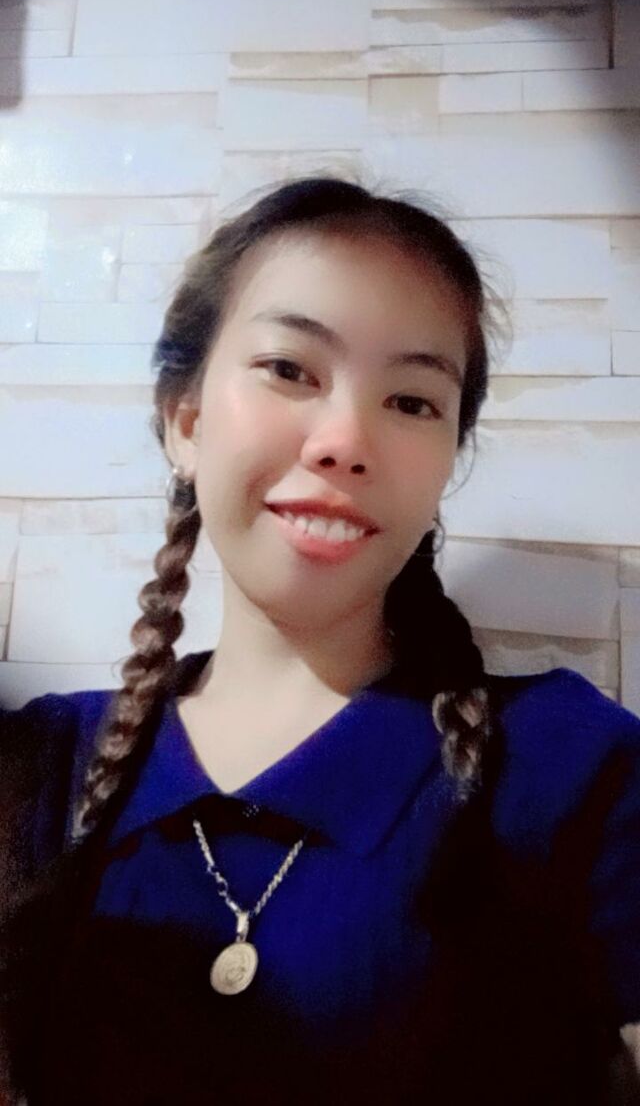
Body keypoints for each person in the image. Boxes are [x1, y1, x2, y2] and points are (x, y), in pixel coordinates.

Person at [1, 176, 639, 1106]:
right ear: (186, 420)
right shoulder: (39, 764)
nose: (346, 440)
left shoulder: (571, 766)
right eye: (289, 369)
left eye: (412, 400)